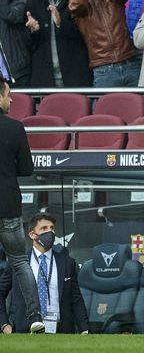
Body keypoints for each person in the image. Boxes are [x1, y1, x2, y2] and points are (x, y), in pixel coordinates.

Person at [0, 79, 43, 334]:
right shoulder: (15, 128)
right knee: (19, 262)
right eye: (8, 95)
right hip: (7, 206)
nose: (12, 99)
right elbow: (27, 169)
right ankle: (35, 317)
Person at [0, 214, 84, 334]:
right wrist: (4, 325)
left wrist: (84, 329)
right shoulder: (18, 263)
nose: (50, 232)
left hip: (60, 330)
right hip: (25, 330)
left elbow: (76, 298)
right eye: (44, 228)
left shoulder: (67, 262)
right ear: (32, 234)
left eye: (52, 228)